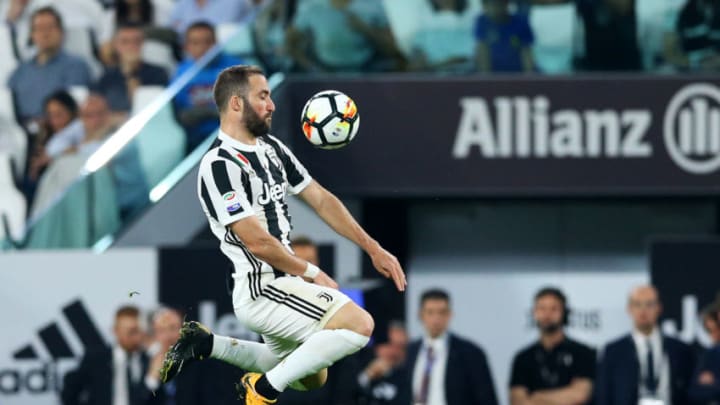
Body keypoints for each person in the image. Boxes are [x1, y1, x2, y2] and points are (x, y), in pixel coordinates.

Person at [159, 65, 406, 405]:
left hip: (282, 283)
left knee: (311, 377)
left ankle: (206, 344)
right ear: (235, 104)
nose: (271, 105)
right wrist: (312, 272)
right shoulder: (219, 166)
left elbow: (320, 198)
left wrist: (372, 247)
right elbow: (256, 241)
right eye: (262, 96)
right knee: (359, 325)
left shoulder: (271, 148)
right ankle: (260, 391)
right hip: (263, 287)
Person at [596, 285, 695, 405]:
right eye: (637, 304)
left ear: (659, 308)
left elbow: (691, 392)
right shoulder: (613, 351)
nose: (643, 310)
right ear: (629, 309)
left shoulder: (680, 349)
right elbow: (603, 395)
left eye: (649, 304)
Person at [405, 289, 497, 405]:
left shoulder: (471, 354)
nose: (436, 319)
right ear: (421, 315)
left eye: (442, 312)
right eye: (430, 312)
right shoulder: (409, 351)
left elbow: (487, 398)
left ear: (450, 315)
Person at [509, 287, 595, 405]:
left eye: (554, 309)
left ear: (564, 312)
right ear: (534, 312)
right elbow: (517, 400)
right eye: (542, 308)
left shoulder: (584, 353)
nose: (547, 314)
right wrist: (561, 397)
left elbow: (580, 395)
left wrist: (537, 396)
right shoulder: (523, 358)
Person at [7, 6, 91, 125]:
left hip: (60, 131)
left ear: (61, 32)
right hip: (21, 132)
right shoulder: (20, 72)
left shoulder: (76, 66)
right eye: (39, 29)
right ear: (32, 35)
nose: (45, 34)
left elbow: (74, 107)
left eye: (50, 28)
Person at [61, 306, 155, 405]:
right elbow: (70, 394)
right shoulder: (96, 359)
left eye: (139, 331)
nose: (137, 337)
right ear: (115, 330)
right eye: (131, 331)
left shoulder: (150, 359)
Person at [172, 21, 242, 153]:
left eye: (207, 42)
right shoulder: (181, 73)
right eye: (196, 43)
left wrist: (205, 113)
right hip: (195, 142)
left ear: (216, 43)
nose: (203, 48)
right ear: (187, 47)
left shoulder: (235, 67)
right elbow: (181, 115)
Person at [286, 0, 403, 72]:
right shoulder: (311, 6)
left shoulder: (372, 5)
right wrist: (313, 69)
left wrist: (366, 30)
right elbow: (289, 45)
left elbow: (395, 51)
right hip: (325, 74)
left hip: (368, 72)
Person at [94, 22, 168, 115]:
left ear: (143, 43)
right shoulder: (107, 76)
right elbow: (98, 109)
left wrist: (130, 73)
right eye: (125, 42)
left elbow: (144, 109)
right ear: (116, 45)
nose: (131, 46)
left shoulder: (158, 73)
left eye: (136, 41)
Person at [356, 320, 410, 405]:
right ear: (378, 347)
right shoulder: (359, 367)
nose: (394, 352)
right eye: (391, 345)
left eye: (401, 347)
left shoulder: (409, 376)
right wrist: (367, 375)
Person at [474, 0, 534, 73]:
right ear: (484, 6)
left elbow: (526, 52)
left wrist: (528, 75)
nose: (496, 8)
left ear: (507, 4)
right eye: (493, 5)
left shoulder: (520, 22)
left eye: (500, 4)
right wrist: (485, 77)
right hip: (492, 71)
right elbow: (482, 50)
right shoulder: (482, 22)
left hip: (517, 70)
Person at [663, 0, 720, 72]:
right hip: (690, 60)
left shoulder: (716, 9)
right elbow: (671, 51)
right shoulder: (684, 10)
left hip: (715, 60)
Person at [167, 0, 264, 36]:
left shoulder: (235, 2)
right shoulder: (183, 3)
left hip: (226, 59)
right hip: (186, 59)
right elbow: (170, 28)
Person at [689, 298, 720, 403]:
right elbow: (694, 391)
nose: (714, 336)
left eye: (716, 329)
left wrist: (713, 382)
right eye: (709, 331)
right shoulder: (710, 355)